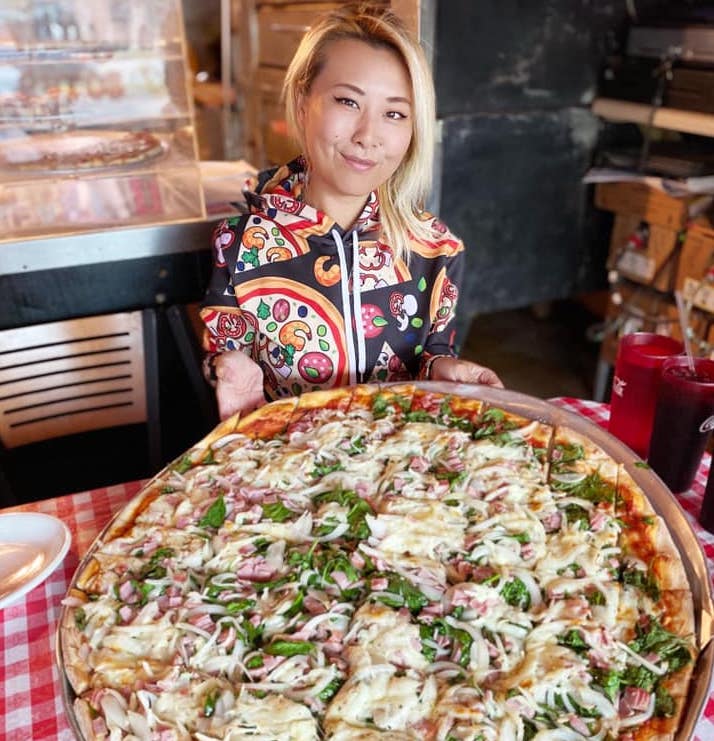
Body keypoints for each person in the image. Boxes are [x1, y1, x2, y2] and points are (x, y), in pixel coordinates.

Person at [200, 2, 502, 420]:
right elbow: (228, 361)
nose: (368, 136)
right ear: (303, 102)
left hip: (401, 467)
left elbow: (432, 355)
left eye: (394, 113)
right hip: (286, 467)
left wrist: (447, 369)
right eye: (347, 101)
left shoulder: (436, 248)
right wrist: (225, 371)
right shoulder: (238, 245)